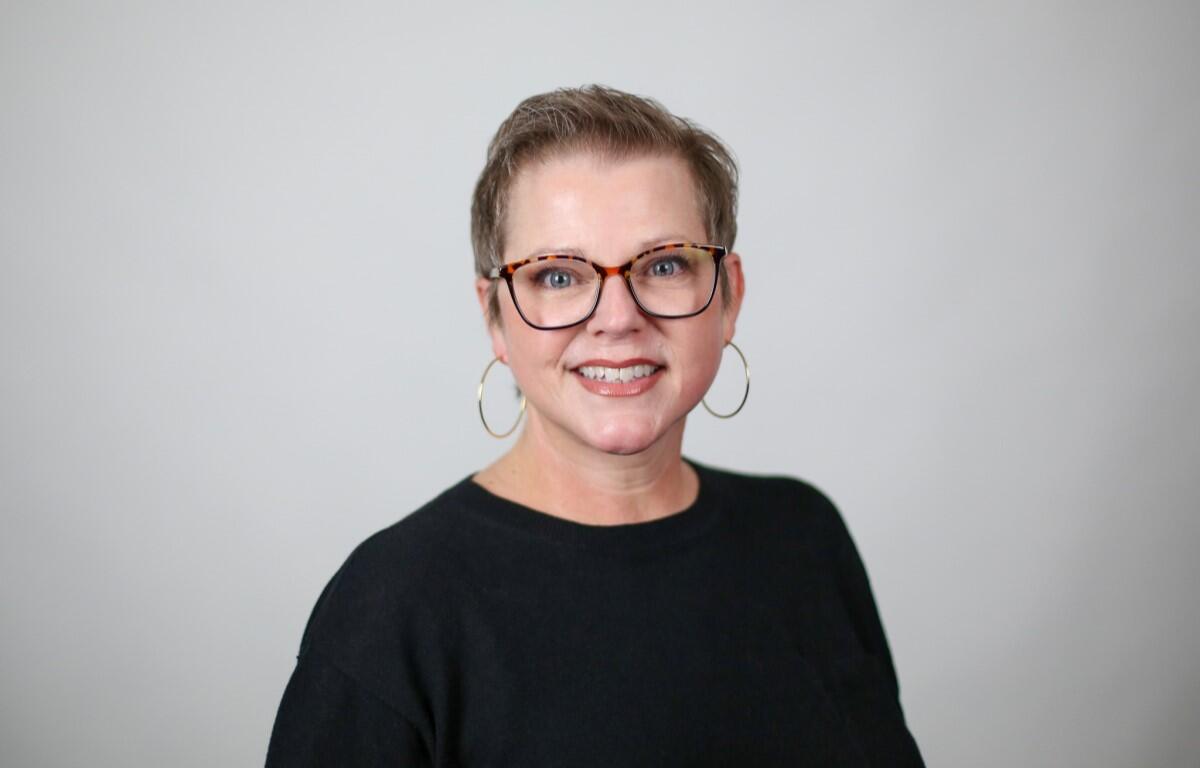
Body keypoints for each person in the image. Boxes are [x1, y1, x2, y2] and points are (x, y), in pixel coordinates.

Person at [266, 85, 924, 766]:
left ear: (729, 298)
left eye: (664, 264)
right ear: (495, 315)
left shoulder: (804, 537)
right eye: (557, 276)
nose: (617, 317)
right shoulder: (391, 609)